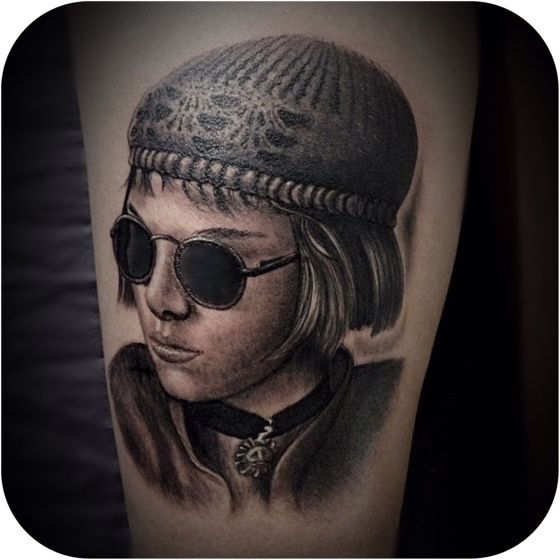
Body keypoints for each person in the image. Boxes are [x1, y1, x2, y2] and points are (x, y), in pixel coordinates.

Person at [107, 34, 417, 512]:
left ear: (332, 267)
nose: (159, 299)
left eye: (212, 266)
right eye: (138, 246)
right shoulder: (132, 408)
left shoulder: (383, 415)